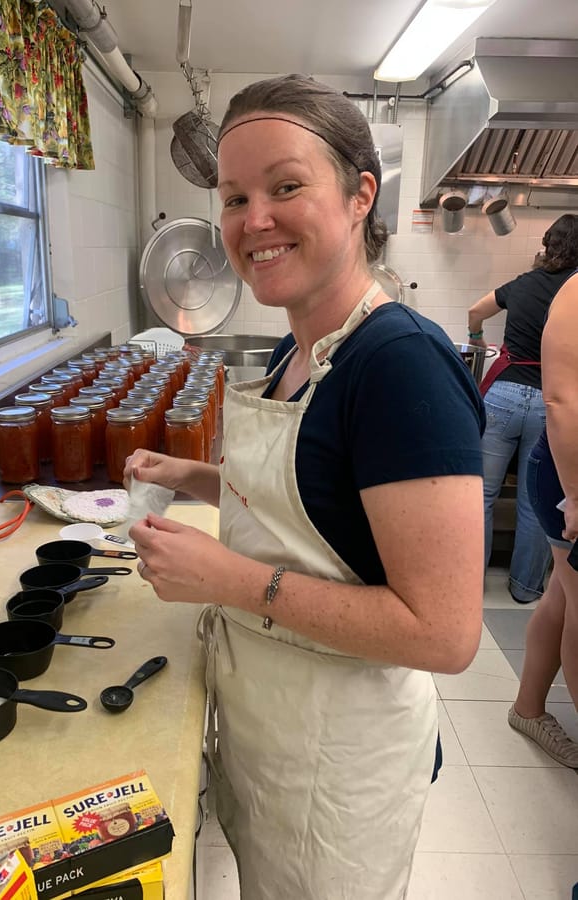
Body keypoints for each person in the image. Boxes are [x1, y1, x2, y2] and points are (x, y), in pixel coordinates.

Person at [125, 74, 484, 900]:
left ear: (360, 195)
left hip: (339, 759)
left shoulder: (397, 366)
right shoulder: (301, 350)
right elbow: (312, 505)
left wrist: (230, 582)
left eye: (285, 187)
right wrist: (194, 477)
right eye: (234, 196)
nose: (254, 221)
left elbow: (443, 634)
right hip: (274, 729)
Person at [467, 214, 578, 603]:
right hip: (555, 404)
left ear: (547, 245)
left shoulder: (523, 283)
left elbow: (475, 311)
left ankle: (470, 584)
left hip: (503, 397)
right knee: (534, 502)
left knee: (481, 494)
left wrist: (477, 339)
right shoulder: (574, 291)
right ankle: (526, 588)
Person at [509, 270, 578, 768]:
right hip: (567, 474)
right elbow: (562, 400)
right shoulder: (576, 292)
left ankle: (528, 709)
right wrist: (575, 494)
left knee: (563, 595)